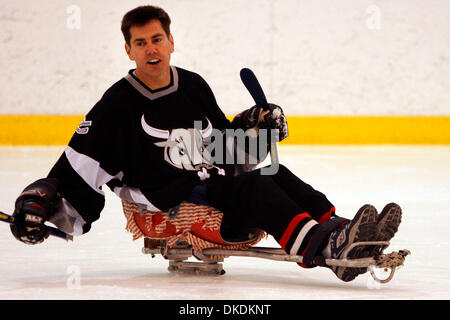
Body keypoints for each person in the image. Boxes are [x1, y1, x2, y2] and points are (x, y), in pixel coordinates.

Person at [10, 5, 402, 282]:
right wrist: (37, 203)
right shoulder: (116, 105)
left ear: (171, 42)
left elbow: (223, 145)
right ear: (128, 50)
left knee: (273, 170)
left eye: (157, 39)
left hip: (211, 182)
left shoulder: (193, 84)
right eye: (141, 42)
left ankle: (341, 227)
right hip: (171, 198)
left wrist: (256, 125)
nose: (151, 49)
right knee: (253, 184)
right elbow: (75, 167)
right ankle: (322, 247)